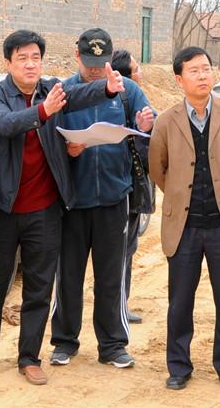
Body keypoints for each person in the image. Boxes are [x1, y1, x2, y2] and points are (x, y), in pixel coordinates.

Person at [0, 30, 125, 385]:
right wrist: (44, 111)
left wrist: (107, 89)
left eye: (35, 58)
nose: (30, 64)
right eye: (22, 58)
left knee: (39, 290)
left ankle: (29, 357)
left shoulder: (52, 89)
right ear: (8, 63)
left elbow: (79, 95)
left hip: (45, 212)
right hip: (2, 209)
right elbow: (5, 124)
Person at [148, 46, 220, 394]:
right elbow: (158, 168)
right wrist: (180, 195)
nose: (202, 75)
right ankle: (179, 367)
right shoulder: (167, 121)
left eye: (206, 69)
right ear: (179, 79)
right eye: (194, 70)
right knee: (180, 301)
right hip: (184, 226)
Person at [50, 28, 154, 368]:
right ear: (76, 57)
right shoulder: (62, 91)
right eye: (90, 63)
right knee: (68, 276)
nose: (96, 70)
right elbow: (48, 143)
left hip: (114, 197)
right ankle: (64, 342)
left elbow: (147, 131)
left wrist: (146, 126)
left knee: (111, 276)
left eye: (102, 63)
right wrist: (68, 150)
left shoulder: (128, 90)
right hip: (72, 201)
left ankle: (112, 345)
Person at [110, 49, 153, 324]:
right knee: (124, 250)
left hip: (119, 189)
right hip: (127, 189)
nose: (141, 74)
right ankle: (117, 309)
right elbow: (150, 140)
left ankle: (116, 307)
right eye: (137, 70)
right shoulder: (133, 96)